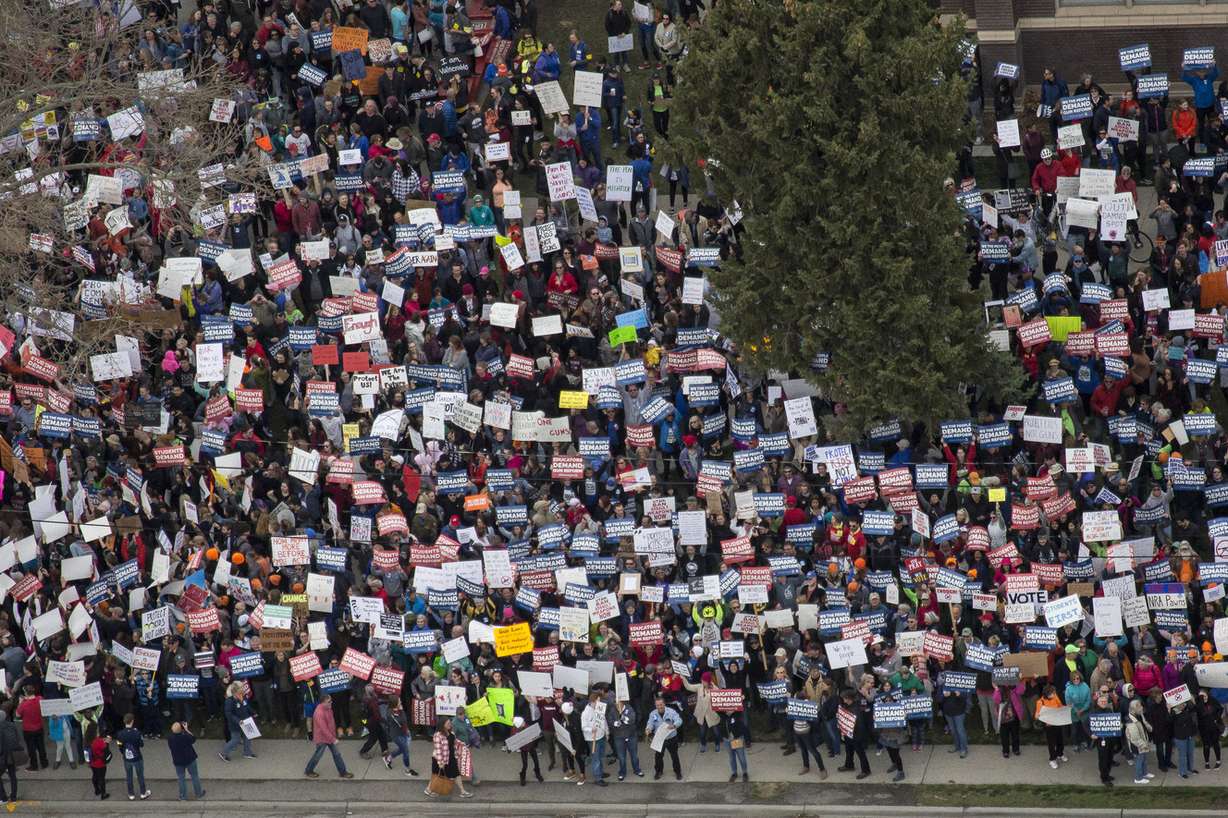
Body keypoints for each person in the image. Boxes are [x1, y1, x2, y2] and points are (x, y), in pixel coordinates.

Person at [304, 694, 354, 779]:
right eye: (329, 701)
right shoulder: (319, 713)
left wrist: (333, 736)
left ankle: (343, 772)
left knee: (337, 754)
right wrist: (333, 739)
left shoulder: (328, 708)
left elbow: (331, 723)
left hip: (330, 736)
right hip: (322, 739)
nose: (331, 702)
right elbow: (324, 729)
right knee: (318, 756)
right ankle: (308, 770)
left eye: (331, 700)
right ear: (323, 703)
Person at [425, 718, 474, 798]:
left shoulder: (450, 732)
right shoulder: (438, 735)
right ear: (442, 725)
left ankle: (462, 791)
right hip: (440, 760)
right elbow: (438, 750)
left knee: (456, 774)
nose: (449, 724)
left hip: (451, 757)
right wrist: (440, 763)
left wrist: (462, 744)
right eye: (447, 723)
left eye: (449, 723)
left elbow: (454, 741)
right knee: (437, 775)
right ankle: (429, 789)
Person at [115, 714, 152, 801]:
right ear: (132, 721)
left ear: (124, 721)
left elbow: (119, 746)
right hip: (137, 757)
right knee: (140, 776)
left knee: (129, 776)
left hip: (126, 758)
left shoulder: (120, 734)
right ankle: (143, 793)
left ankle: (131, 794)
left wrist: (123, 753)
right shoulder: (137, 733)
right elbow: (141, 745)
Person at [645, 697, 683, 781]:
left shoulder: (671, 711)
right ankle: (658, 772)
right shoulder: (653, 714)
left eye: (661, 704)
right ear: (655, 705)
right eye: (657, 705)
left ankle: (678, 772)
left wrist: (674, 725)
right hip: (659, 739)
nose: (659, 707)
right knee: (658, 757)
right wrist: (648, 729)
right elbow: (650, 723)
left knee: (674, 756)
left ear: (664, 704)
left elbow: (679, 720)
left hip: (671, 738)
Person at [218, 682, 256, 762]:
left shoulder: (243, 696)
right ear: (236, 691)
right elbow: (229, 714)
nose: (243, 688)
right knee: (236, 739)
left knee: (248, 736)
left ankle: (247, 753)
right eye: (241, 687)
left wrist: (253, 712)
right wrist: (238, 721)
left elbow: (247, 706)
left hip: (245, 721)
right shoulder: (229, 701)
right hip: (235, 724)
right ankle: (223, 753)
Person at [168, 722, 206, 801]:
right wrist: (186, 729)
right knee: (194, 776)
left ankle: (183, 796)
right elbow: (193, 738)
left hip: (178, 761)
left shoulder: (170, 738)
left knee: (181, 778)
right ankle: (198, 793)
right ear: (181, 729)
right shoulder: (185, 737)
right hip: (190, 759)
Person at [382, 698, 419, 777]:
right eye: (399, 701)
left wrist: (407, 731)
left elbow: (404, 722)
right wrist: (402, 711)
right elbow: (403, 721)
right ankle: (407, 770)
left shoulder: (396, 710)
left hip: (403, 732)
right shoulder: (391, 714)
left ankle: (388, 758)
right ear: (395, 704)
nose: (401, 702)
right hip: (397, 735)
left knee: (402, 749)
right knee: (406, 752)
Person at [580, 691, 610, 787]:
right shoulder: (585, 713)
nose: (599, 702)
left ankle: (600, 772)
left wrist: (607, 731)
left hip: (601, 736)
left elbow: (603, 720)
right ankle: (598, 778)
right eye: (598, 700)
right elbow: (583, 727)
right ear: (593, 701)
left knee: (600, 756)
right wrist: (591, 729)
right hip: (593, 739)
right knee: (596, 758)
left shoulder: (599, 708)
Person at [1035, 685, 1067, 770]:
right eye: (1052, 693)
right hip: (1049, 726)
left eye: (1054, 692)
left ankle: (1060, 753)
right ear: (1047, 694)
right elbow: (1037, 716)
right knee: (1051, 743)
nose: (1054, 694)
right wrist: (1038, 716)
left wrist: (1066, 708)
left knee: (1060, 739)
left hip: (1057, 722)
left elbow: (1060, 706)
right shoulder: (1040, 702)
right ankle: (1052, 759)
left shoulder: (1055, 696)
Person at [1124, 699, 1155, 785]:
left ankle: (1144, 773)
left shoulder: (1139, 715)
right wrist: (1144, 745)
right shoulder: (1130, 721)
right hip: (1137, 746)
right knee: (1139, 761)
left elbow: (1144, 725)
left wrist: (1148, 727)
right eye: (1139, 706)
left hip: (1143, 742)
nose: (1141, 708)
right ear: (1134, 709)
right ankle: (1138, 778)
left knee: (1144, 759)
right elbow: (1134, 738)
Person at [0, 712, 20, 805]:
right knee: (13, 776)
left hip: (3, 756)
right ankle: (14, 797)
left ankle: (3, 798)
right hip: (12, 754)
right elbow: (17, 738)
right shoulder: (12, 725)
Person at [88, 731, 111, 800]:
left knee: (94, 775)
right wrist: (107, 742)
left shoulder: (89, 740)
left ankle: (97, 790)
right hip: (100, 763)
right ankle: (103, 794)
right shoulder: (99, 741)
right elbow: (106, 750)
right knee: (102, 778)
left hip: (92, 762)